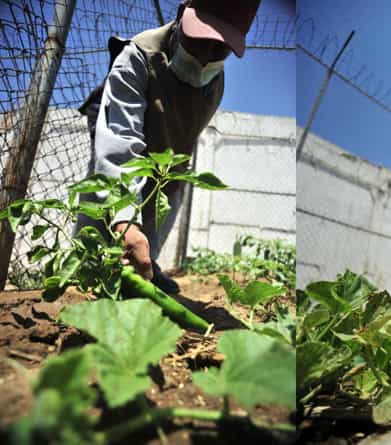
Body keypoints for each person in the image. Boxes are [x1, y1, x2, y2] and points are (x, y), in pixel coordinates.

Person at [74, 0, 261, 294]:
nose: (204, 59)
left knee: (163, 202)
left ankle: (146, 267)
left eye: (220, 49)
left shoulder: (216, 81)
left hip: (168, 152)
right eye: (199, 41)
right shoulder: (137, 55)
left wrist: (173, 172)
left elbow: (185, 133)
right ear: (179, 17)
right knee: (102, 204)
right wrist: (124, 220)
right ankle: (84, 270)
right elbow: (120, 139)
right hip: (124, 133)